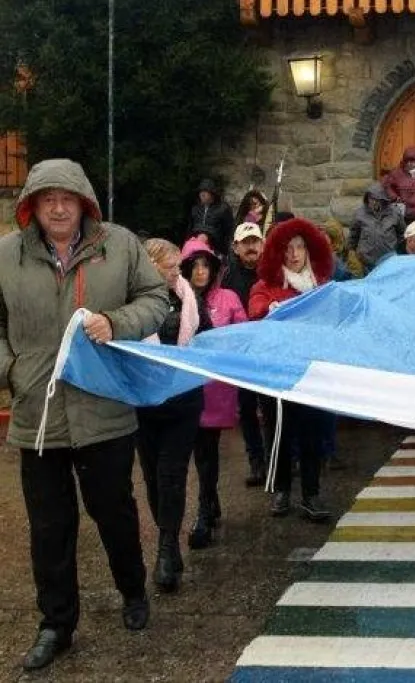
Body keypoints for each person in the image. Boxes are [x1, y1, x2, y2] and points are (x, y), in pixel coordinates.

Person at [0, 159, 169, 671]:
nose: (57, 207)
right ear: (31, 205)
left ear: (84, 204)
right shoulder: (7, 254)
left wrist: (115, 322)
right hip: (38, 414)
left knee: (114, 512)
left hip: (105, 408)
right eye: (47, 198)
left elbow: (156, 298)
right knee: (49, 527)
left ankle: (132, 590)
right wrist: (10, 372)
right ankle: (56, 624)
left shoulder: (119, 246)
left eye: (67, 198)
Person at [135, 239, 210, 596]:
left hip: (182, 400)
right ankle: (170, 543)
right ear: (148, 266)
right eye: (169, 266)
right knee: (151, 477)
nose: (176, 273)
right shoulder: (132, 301)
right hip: (145, 402)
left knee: (171, 474)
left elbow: (209, 337)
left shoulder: (189, 299)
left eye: (177, 266)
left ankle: (166, 549)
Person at [248, 217, 334, 521]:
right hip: (277, 375)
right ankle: (282, 489)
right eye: (288, 248)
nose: (294, 254)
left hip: (312, 373)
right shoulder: (267, 286)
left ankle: (311, 493)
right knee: (279, 433)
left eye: (300, 247)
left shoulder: (322, 287)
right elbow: (255, 311)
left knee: (312, 435)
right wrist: (271, 310)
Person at [181, 238, 247, 549]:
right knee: (199, 451)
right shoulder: (178, 299)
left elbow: (242, 336)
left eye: (205, 265)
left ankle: (204, 510)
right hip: (185, 386)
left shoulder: (229, 298)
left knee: (207, 449)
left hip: (216, 388)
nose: (200, 272)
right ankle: (209, 500)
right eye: (194, 266)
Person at [221, 222, 270, 486]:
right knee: (248, 410)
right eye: (246, 242)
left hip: (268, 351)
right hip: (242, 353)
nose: (251, 246)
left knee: (273, 409)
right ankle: (257, 462)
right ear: (236, 246)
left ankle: (278, 459)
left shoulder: (272, 272)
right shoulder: (227, 276)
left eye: (255, 241)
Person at [349, 182, 406, 270]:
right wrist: (351, 252)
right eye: (370, 198)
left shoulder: (394, 213)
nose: (373, 202)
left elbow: (402, 234)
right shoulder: (359, 214)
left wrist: (397, 251)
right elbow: (353, 236)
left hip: (389, 260)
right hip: (366, 261)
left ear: (382, 199)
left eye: (376, 199)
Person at [188, 177, 234, 253]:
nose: (202, 194)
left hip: (217, 249)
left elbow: (229, 232)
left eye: (205, 191)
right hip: (196, 247)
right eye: (201, 191)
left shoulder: (223, 208)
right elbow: (190, 229)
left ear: (212, 193)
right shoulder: (195, 209)